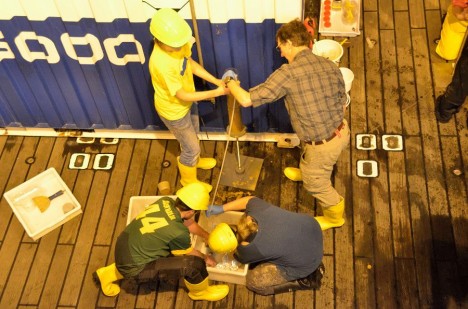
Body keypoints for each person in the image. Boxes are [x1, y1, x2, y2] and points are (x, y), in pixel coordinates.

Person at [223, 19, 350, 230]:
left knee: (316, 184)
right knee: (312, 156)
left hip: (322, 145)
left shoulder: (287, 73)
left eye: (280, 46)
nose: (280, 52)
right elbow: (343, 101)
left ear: (290, 43)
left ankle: (335, 217)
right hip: (342, 131)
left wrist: (230, 83)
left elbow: (245, 99)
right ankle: (309, 168)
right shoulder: (328, 64)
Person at [93, 183, 229, 302]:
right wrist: (206, 258)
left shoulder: (166, 201)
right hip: (136, 269)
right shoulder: (179, 232)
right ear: (191, 211)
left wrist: (207, 236)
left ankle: (106, 274)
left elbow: (188, 222)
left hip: (124, 247)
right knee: (195, 265)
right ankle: (199, 293)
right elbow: (189, 252)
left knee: (151, 250)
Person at [149, 8, 229, 192]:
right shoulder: (161, 63)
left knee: (194, 134)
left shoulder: (178, 43)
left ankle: (196, 161)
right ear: (159, 40)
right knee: (190, 148)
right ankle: (188, 182)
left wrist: (215, 81)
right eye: (174, 46)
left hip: (187, 103)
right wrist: (215, 93)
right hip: (174, 111)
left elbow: (189, 63)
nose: (179, 47)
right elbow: (181, 95)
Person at [206, 197, 324, 296]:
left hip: (309, 262)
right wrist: (222, 208)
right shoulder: (257, 209)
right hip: (313, 227)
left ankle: (298, 282)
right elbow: (248, 200)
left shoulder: (248, 250)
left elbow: (239, 258)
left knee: (253, 281)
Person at [435, 1, 468, 123]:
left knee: (462, 82)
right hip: (462, 19)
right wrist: (462, 14)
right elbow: (459, 10)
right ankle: (445, 109)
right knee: (448, 52)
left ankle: (445, 110)